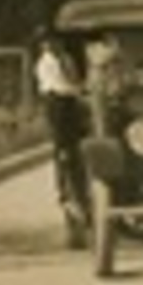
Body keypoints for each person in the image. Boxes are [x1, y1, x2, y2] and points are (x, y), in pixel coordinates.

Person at [34, 35, 87, 210]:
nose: (51, 46)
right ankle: (64, 188)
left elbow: (74, 78)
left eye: (55, 42)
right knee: (62, 146)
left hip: (70, 101)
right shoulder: (45, 63)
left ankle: (78, 182)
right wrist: (77, 90)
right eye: (48, 43)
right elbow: (57, 87)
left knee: (76, 144)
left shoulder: (66, 59)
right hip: (57, 102)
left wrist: (79, 88)